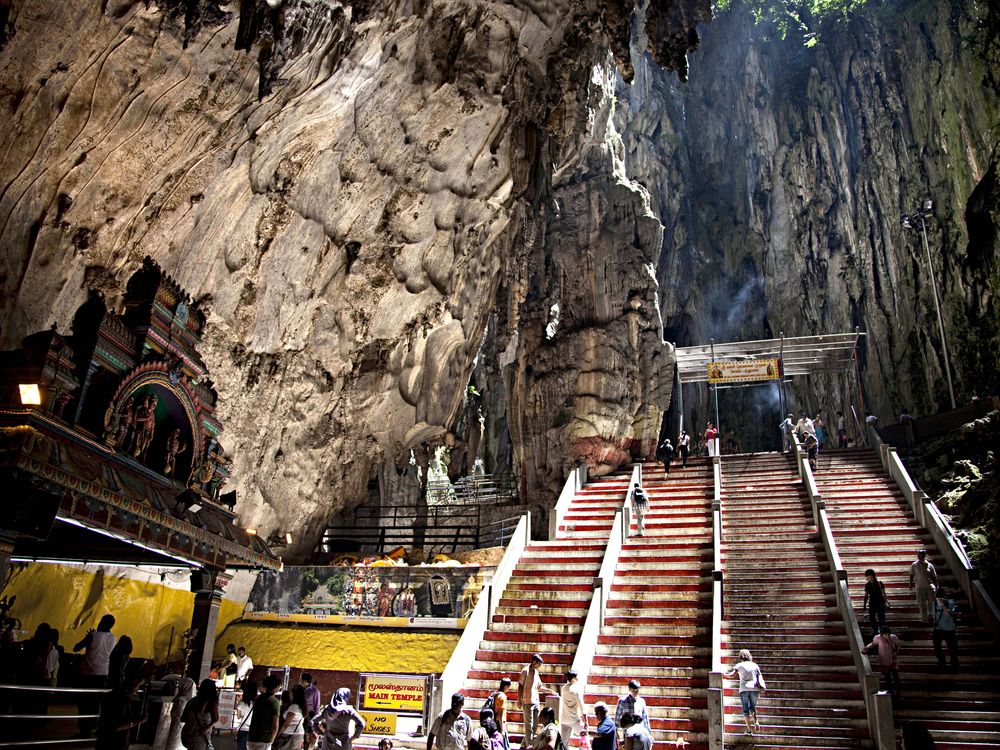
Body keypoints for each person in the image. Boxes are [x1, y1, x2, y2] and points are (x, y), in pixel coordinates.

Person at [96, 668, 145, 750]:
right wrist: (137, 721)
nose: (137, 689)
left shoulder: (113, 695)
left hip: (104, 741)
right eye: (138, 685)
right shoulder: (121, 700)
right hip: (113, 743)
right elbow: (115, 726)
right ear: (134, 681)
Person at [723, 649, 766, 736]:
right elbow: (759, 678)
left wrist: (723, 675)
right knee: (752, 707)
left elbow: (731, 675)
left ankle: (749, 730)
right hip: (754, 689)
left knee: (745, 709)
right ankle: (756, 721)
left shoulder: (739, 665)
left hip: (744, 689)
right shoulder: (755, 665)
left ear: (741, 656)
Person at [519, 654, 556, 746]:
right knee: (529, 726)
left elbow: (539, 687)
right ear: (534, 662)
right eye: (538, 663)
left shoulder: (536, 672)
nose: (539, 666)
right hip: (527, 701)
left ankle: (524, 744)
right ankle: (529, 746)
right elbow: (520, 686)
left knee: (535, 726)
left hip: (535, 701)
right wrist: (519, 700)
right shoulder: (525, 671)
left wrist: (550, 691)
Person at [181, 679, 220, 750]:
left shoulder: (192, 701)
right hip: (201, 735)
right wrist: (205, 728)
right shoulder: (211, 704)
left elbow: (183, 719)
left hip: (188, 734)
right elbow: (216, 719)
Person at [866, 625, 901, 702]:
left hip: (893, 660)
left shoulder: (894, 637)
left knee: (896, 677)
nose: (887, 636)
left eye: (888, 634)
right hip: (884, 661)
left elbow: (898, 646)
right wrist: (866, 648)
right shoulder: (878, 638)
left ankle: (898, 693)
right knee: (887, 678)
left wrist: (896, 652)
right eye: (885, 634)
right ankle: (891, 694)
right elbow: (873, 644)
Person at [249, 674, 283, 750]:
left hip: (251, 737)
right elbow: (275, 725)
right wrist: (271, 740)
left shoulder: (259, 698)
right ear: (276, 687)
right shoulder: (275, 702)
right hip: (264, 738)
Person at [559, 670, 588, 748]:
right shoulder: (575, 690)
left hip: (564, 719)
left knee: (564, 743)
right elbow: (582, 707)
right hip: (574, 720)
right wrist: (586, 721)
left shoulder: (563, 688)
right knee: (584, 734)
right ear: (573, 678)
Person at [909, 550, 938, 624]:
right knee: (922, 604)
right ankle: (924, 620)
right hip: (919, 587)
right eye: (917, 555)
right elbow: (911, 575)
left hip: (929, 586)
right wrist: (910, 584)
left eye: (919, 555)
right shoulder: (914, 565)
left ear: (923, 555)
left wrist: (937, 585)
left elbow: (934, 576)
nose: (918, 556)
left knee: (931, 603)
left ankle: (931, 616)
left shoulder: (929, 565)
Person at [932, 587, 959, 668]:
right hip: (939, 629)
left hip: (949, 629)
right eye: (938, 597)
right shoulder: (935, 603)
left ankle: (954, 662)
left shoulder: (950, 602)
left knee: (952, 647)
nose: (939, 598)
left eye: (941, 596)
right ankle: (942, 661)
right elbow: (934, 617)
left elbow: (948, 614)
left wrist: (943, 604)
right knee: (937, 646)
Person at [277, 684, 308, 749]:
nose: (290, 695)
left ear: (295, 695)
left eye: (291, 693)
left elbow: (286, 724)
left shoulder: (294, 707)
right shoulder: (301, 707)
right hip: (298, 734)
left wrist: (278, 734)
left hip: (290, 734)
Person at [862, 569, 890, 638]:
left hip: (880, 602)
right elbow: (866, 595)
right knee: (872, 618)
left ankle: (883, 632)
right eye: (867, 577)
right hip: (872, 603)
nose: (869, 578)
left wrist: (886, 602)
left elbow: (884, 593)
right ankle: (875, 631)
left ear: (873, 576)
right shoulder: (867, 585)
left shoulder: (880, 583)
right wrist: (864, 604)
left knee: (881, 618)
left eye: (870, 576)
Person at [236, 680, 259, 750]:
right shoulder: (257, 704)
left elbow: (238, 717)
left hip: (242, 730)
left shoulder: (241, 703)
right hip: (253, 731)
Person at [302, 673, 321, 749]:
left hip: (310, 715)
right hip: (302, 714)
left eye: (302, 680)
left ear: (305, 681)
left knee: (310, 735)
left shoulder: (315, 691)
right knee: (302, 734)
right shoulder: (302, 690)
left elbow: (317, 706)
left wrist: (315, 720)